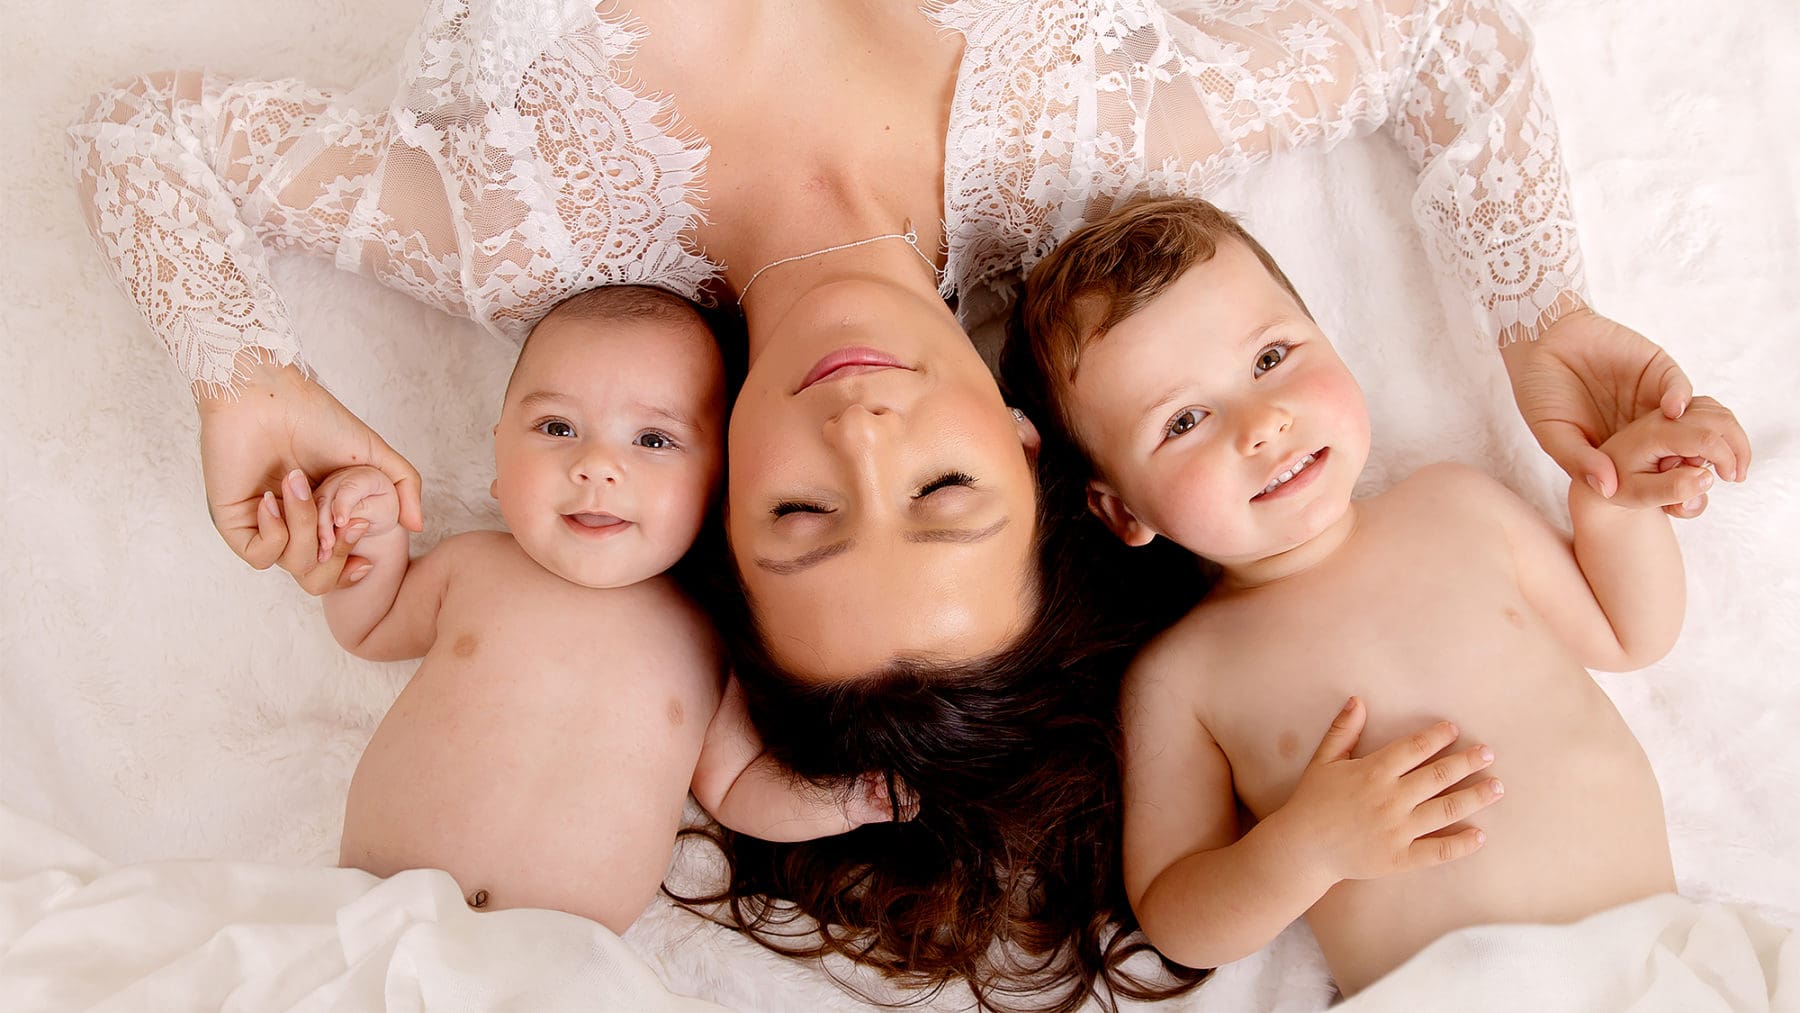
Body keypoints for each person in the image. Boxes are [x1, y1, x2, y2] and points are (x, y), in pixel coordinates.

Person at [65, 0, 1752, 1004]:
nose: (865, 433)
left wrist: (251, 374)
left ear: (721, 506)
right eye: (941, 490)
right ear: (1028, 450)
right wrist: (1545, 315)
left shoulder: (519, 227)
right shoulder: (1081, 132)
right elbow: (1439, 32)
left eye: (802, 517)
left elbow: (150, 141)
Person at [1005, 196, 1755, 994]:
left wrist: (1612, 501)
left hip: (1659, 967)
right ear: (1124, 511)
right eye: (1185, 420)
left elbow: (1631, 632)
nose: (1262, 424)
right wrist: (1305, 849)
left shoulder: (1455, 507)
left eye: (1270, 359)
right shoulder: (1185, 676)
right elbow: (1175, 912)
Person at [313, 284, 908, 933]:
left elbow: (736, 786)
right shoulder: (475, 565)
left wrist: (846, 802)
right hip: (372, 924)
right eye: (557, 427)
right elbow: (369, 625)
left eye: (653, 439)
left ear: (720, 484)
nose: (596, 465)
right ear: (497, 450)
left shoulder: (710, 636)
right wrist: (368, 533)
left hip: (553, 969)